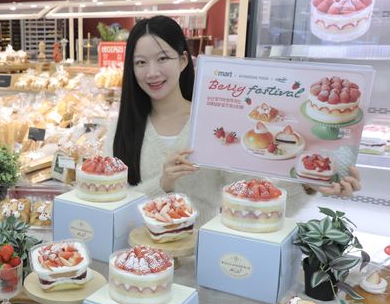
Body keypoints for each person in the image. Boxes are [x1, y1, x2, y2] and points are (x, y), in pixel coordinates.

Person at [105, 15, 361, 225]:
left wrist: (307, 184)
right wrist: (162, 184)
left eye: (162, 58)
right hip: (133, 260)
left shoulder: (216, 125)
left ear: (183, 61)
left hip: (200, 258)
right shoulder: (121, 128)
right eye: (141, 62)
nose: (152, 72)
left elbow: (253, 202)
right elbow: (109, 204)